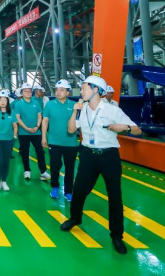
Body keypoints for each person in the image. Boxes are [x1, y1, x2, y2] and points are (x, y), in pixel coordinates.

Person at [60, 76, 142, 255]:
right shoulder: (82, 109)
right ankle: (75, 218)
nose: (81, 91)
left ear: (96, 89)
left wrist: (124, 128)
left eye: (84, 88)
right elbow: (71, 130)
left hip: (109, 156)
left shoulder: (112, 110)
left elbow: (137, 130)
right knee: (79, 190)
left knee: (115, 196)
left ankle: (117, 235)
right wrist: (74, 112)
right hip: (88, 155)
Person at [42, 79, 78, 200]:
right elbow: (45, 121)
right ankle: (55, 187)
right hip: (54, 141)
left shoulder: (74, 105)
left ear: (68, 92)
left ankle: (68, 191)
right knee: (55, 166)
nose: (58, 92)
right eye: (57, 90)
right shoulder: (49, 104)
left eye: (62, 90)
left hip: (71, 142)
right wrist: (43, 137)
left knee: (70, 168)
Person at [13, 83, 50, 181]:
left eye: (29, 91)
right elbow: (18, 118)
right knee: (25, 152)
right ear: (22, 93)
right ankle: (27, 171)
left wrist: (37, 127)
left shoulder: (36, 103)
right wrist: (26, 128)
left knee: (40, 152)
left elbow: (39, 115)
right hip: (23, 133)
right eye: (25, 91)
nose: (28, 92)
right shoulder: (18, 104)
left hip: (36, 132)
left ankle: (43, 172)